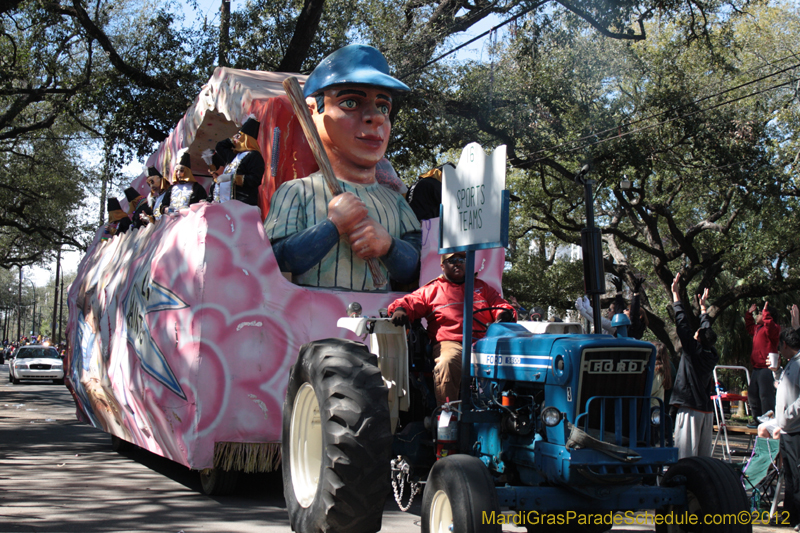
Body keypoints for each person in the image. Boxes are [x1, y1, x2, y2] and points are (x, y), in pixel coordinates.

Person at [264, 45, 421, 291]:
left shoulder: (396, 202)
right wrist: (333, 226)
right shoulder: (295, 192)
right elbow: (275, 260)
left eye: (384, 107)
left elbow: (417, 266)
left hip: (381, 314)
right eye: (350, 102)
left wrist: (389, 246)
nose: (376, 117)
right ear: (311, 112)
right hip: (312, 314)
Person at [387, 251, 516, 406]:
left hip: (484, 342)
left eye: (462, 259)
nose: (458, 263)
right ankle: (448, 413)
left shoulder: (482, 287)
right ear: (442, 266)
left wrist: (504, 314)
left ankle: (507, 410)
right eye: (452, 260)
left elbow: (500, 305)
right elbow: (410, 301)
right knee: (447, 362)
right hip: (451, 343)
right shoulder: (432, 290)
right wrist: (400, 310)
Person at [669, 273, 719, 459]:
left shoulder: (693, 352)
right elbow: (707, 332)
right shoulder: (712, 354)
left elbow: (682, 324)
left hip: (690, 410)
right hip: (706, 411)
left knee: (685, 456)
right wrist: (703, 308)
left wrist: (676, 295)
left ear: (697, 339)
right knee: (702, 458)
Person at [772, 327, 800, 528]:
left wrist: (789, 414)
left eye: (779, 346)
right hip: (786, 430)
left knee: (797, 477)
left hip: (796, 430)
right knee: (788, 476)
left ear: (785, 344)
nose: (779, 350)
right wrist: (776, 372)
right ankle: (790, 515)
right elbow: (783, 387)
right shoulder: (791, 363)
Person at [213, 115, 265, 207]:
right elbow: (219, 146)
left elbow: (255, 179)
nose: (236, 140)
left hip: (242, 204)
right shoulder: (234, 156)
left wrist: (233, 178)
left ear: (245, 139)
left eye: (239, 137)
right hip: (226, 203)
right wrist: (231, 140)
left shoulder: (254, 156)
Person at [746, 301, 781, 426]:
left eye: (760, 313)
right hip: (756, 367)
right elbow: (749, 327)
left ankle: (768, 420)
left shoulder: (773, 329)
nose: (758, 316)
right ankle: (757, 420)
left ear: (768, 316)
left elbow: (771, 327)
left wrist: (766, 314)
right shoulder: (757, 329)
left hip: (767, 367)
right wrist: (749, 314)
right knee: (753, 394)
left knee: (765, 395)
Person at [160, 149, 208, 213]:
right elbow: (163, 205)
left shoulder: (197, 188)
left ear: (187, 172)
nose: (178, 173)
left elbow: (204, 206)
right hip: (172, 218)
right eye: (177, 171)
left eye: (181, 171)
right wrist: (167, 209)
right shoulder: (171, 189)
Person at [650, 342, 673, 445]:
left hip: (651, 408)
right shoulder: (667, 368)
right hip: (657, 407)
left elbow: (651, 390)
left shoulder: (657, 370)